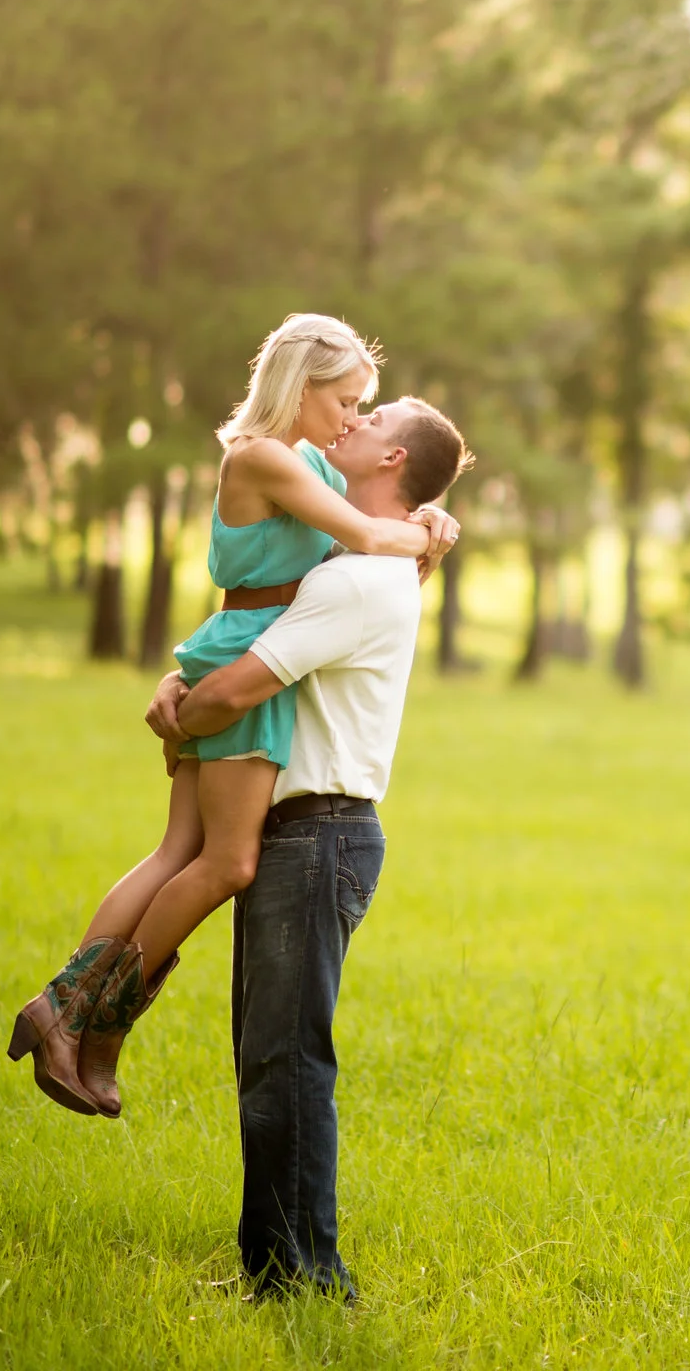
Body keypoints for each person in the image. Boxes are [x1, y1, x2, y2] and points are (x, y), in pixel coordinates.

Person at [7, 314, 459, 1119]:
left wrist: (430, 514)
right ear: (302, 384)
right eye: (348, 399)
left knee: (178, 850)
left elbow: (357, 517)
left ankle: (63, 1012)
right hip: (253, 653)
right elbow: (357, 532)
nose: (354, 417)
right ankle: (88, 1019)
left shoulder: (303, 457)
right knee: (227, 863)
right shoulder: (269, 456)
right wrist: (424, 527)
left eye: (366, 406)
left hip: (235, 641)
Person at [142, 393, 473, 1302]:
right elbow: (251, 631)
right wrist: (184, 674)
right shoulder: (349, 559)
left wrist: (180, 708)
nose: (347, 425)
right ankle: (274, 1267)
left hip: (318, 834)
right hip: (305, 833)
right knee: (268, 1060)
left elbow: (234, 691)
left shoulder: (358, 576)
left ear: (392, 458)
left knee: (288, 1062)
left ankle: (307, 1280)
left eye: (370, 420)